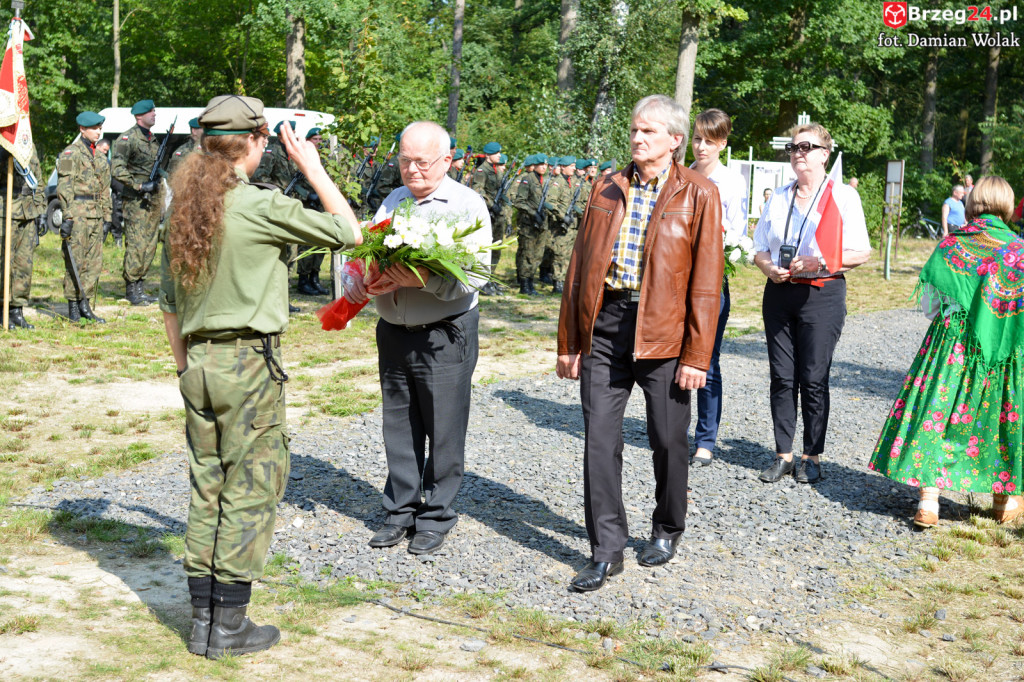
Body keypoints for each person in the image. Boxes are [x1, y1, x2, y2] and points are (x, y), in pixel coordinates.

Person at [161, 95, 361, 659]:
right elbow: (349, 232)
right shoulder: (259, 204)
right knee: (250, 489)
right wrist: (313, 167)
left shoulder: (184, 209)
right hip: (247, 363)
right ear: (253, 142)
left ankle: (203, 620)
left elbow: (169, 305)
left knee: (208, 488)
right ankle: (228, 627)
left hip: (198, 363)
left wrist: (185, 367)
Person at [556, 94, 723, 592]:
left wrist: (697, 356)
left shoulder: (699, 192)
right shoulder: (606, 186)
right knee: (599, 439)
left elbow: (707, 282)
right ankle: (606, 550)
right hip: (606, 324)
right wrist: (570, 341)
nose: (637, 137)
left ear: (675, 140)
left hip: (665, 331)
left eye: (648, 131)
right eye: (634, 129)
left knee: (668, 439)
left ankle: (667, 528)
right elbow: (579, 267)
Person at [343, 121, 491, 556]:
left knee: (443, 428)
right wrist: (358, 278)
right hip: (393, 332)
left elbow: (477, 274)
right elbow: (368, 252)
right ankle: (400, 510)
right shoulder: (394, 200)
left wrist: (423, 278)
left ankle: (436, 515)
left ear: (447, 160)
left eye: (422, 162)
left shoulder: (467, 206)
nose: (412, 170)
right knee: (399, 424)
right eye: (404, 160)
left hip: (443, 334)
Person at [870, 176, 1024, 527]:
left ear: (972, 203)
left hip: (951, 348)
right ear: (1007, 206)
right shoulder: (1019, 250)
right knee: (998, 416)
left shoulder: (952, 245)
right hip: (1002, 353)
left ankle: (928, 503)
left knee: (936, 414)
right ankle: (1003, 502)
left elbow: (931, 307)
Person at [752, 122, 871, 485]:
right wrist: (768, 267)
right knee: (781, 376)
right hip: (779, 292)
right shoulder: (779, 197)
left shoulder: (843, 196)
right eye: (794, 147)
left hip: (822, 293)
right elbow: (759, 248)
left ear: (824, 154)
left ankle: (812, 455)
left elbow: (861, 251)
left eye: (806, 147)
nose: (798, 153)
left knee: (813, 377)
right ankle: (783, 454)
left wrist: (819, 262)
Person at [688, 109, 748, 466]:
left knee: (706, 359)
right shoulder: (681, 174)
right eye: (697, 139)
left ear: (722, 144)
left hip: (711, 279)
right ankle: (672, 427)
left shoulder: (731, 182)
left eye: (709, 141)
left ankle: (705, 440)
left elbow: (736, 232)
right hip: (677, 278)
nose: (701, 147)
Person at [57, 111, 113, 324]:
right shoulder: (70, 154)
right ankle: (73, 305)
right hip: (78, 214)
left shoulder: (101, 157)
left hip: (96, 214)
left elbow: (105, 190)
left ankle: (85, 304)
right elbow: (64, 185)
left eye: (100, 128)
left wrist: (107, 218)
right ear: (82, 129)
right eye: (94, 128)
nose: (98, 132)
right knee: (76, 260)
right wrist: (68, 217)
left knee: (94, 262)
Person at [111, 99, 164, 306]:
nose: (154, 114)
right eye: (150, 111)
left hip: (153, 199)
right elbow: (117, 169)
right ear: (139, 116)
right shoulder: (127, 138)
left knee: (150, 243)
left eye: (154, 111)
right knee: (136, 243)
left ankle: (140, 286)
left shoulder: (154, 140)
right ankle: (131, 288)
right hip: (136, 200)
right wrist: (139, 185)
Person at [1, 145, 46, 329]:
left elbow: (38, 179)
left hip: (27, 211)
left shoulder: (27, 143)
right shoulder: (5, 140)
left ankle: (16, 309)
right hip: (5, 209)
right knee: (4, 262)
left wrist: (41, 211)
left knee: (24, 264)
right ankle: (2, 309)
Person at [295, 127, 330, 297]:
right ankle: (303, 279)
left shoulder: (325, 160)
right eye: (315, 139)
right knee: (306, 244)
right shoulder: (301, 158)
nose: (318, 142)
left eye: (320, 139)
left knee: (321, 242)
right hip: (306, 205)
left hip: (321, 206)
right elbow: (293, 183)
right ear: (308, 141)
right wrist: (307, 195)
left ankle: (314, 277)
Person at [512, 153, 552, 296]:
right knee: (527, 254)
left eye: (545, 165)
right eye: (541, 164)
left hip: (542, 224)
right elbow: (519, 202)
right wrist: (533, 213)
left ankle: (530, 282)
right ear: (534, 166)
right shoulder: (527, 179)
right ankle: (524, 284)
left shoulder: (545, 181)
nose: (544, 167)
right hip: (529, 224)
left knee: (538, 255)